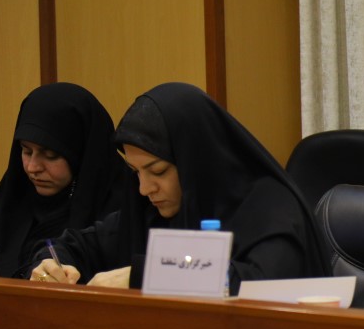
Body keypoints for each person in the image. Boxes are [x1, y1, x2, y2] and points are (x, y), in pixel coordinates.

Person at [29, 82, 328, 291]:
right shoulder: (152, 208)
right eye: (135, 172)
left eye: (157, 171)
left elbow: (259, 284)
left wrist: (144, 276)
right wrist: (51, 264)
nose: (145, 188)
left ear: (195, 162)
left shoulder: (271, 207)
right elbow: (76, 244)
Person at [0, 82, 128, 278]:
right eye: (26, 151)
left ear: (82, 154)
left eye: (50, 155)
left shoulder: (124, 208)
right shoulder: (11, 201)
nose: (32, 167)